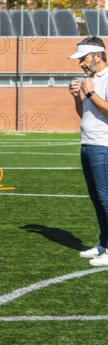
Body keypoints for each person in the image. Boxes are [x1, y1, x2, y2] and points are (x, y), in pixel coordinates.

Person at [68, 36, 108, 266]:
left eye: (83, 59)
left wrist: (91, 93)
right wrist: (78, 97)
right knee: (96, 199)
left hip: (103, 146)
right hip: (89, 144)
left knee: (105, 199)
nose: (81, 64)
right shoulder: (91, 80)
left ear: (98, 56)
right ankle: (104, 243)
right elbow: (86, 115)